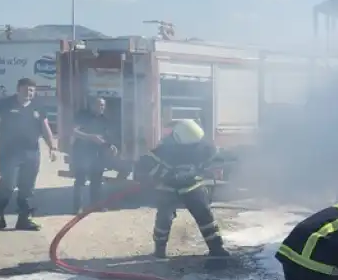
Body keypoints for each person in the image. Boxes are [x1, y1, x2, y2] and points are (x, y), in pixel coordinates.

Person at [134, 119, 231, 270]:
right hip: (168, 188)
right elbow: (145, 167)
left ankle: (216, 248)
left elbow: (217, 159)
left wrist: (209, 169)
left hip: (193, 186)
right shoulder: (164, 149)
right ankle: (159, 250)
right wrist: (166, 174)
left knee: (205, 216)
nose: (191, 148)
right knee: (164, 219)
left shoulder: (202, 146)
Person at [0, 77, 57, 230]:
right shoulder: (5, 104)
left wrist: (52, 147)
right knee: (9, 183)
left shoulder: (38, 106)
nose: (28, 93)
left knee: (27, 186)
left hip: (32, 152)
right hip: (9, 152)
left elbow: (45, 128)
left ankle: (24, 219)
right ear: (18, 89)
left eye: (31, 90)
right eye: (26, 89)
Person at [71, 97, 118, 212]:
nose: (100, 107)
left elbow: (106, 137)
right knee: (80, 180)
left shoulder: (104, 120)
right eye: (98, 105)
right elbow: (73, 131)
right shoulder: (83, 116)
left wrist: (111, 146)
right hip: (82, 152)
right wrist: (90, 137)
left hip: (98, 154)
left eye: (102, 105)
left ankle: (96, 205)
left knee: (97, 180)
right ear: (92, 105)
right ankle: (77, 207)